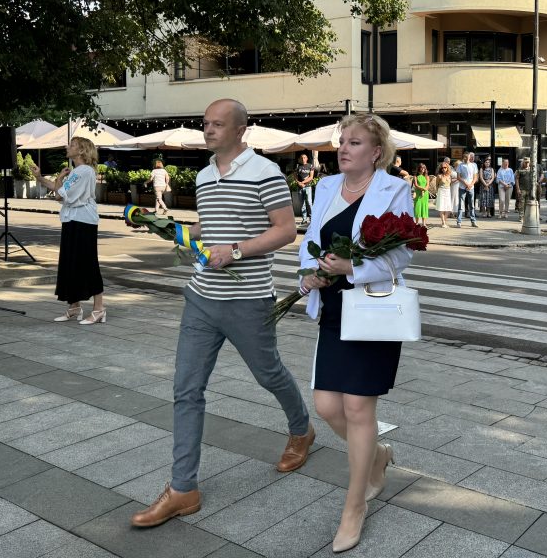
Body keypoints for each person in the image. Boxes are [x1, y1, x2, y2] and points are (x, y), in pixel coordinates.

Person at [131, 99, 312, 529]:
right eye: (205, 124)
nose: (208, 131)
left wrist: (236, 250)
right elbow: (207, 227)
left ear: (240, 130)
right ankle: (183, 488)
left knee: (269, 374)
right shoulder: (204, 175)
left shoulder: (265, 173)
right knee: (186, 390)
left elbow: (285, 231)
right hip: (201, 297)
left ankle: (302, 429)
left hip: (249, 300)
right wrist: (165, 228)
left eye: (216, 125)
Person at [296, 114, 415, 553]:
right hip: (332, 308)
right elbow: (310, 243)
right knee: (327, 405)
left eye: (355, 142)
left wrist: (353, 267)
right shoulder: (325, 187)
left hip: (371, 311)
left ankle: (354, 507)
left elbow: (402, 257)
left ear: (376, 153)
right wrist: (308, 276)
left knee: (359, 408)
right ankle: (378, 456)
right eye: (342, 141)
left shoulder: (394, 189)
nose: (344, 148)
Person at [32, 138, 105, 325]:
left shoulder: (83, 171)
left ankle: (99, 309)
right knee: (70, 264)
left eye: (72, 145)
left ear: (81, 151)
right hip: (74, 220)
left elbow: (58, 195)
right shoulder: (78, 172)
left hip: (82, 222)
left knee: (88, 264)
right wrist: (40, 178)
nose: (67, 147)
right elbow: (61, 191)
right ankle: (75, 307)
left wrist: (58, 179)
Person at [456, 152, 478, 227]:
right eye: (465, 157)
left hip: (471, 187)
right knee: (461, 204)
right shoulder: (460, 165)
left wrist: (471, 184)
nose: (466, 158)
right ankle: (459, 221)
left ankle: (473, 221)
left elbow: (475, 177)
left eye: (467, 157)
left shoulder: (473, 165)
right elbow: (458, 177)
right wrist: (465, 183)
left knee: (471, 204)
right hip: (462, 187)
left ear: (469, 157)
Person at [296, 153, 315, 225]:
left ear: (307, 159)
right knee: (302, 204)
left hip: (308, 186)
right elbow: (295, 176)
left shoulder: (310, 166)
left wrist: (302, 182)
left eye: (304, 157)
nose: (303, 159)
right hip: (300, 188)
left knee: (309, 203)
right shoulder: (298, 166)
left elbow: (311, 177)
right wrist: (298, 183)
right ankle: (304, 219)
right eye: (301, 158)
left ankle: (312, 219)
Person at [435, 160, 453, 227]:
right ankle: (443, 223)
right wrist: (437, 193)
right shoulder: (439, 176)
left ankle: (444, 222)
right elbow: (436, 185)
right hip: (441, 191)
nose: (443, 169)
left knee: (448, 208)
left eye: (445, 167)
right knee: (441, 208)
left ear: (447, 168)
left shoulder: (449, 176)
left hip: (447, 191)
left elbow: (450, 184)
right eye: (442, 168)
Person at [412, 162, 430, 227]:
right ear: (419, 168)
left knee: (424, 208)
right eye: (422, 168)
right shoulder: (415, 177)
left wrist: (424, 190)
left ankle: (424, 223)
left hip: (425, 194)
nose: (423, 169)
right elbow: (416, 185)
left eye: (424, 168)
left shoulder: (427, 177)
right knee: (417, 207)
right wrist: (422, 189)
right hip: (418, 193)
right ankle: (416, 222)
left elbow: (427, 185)